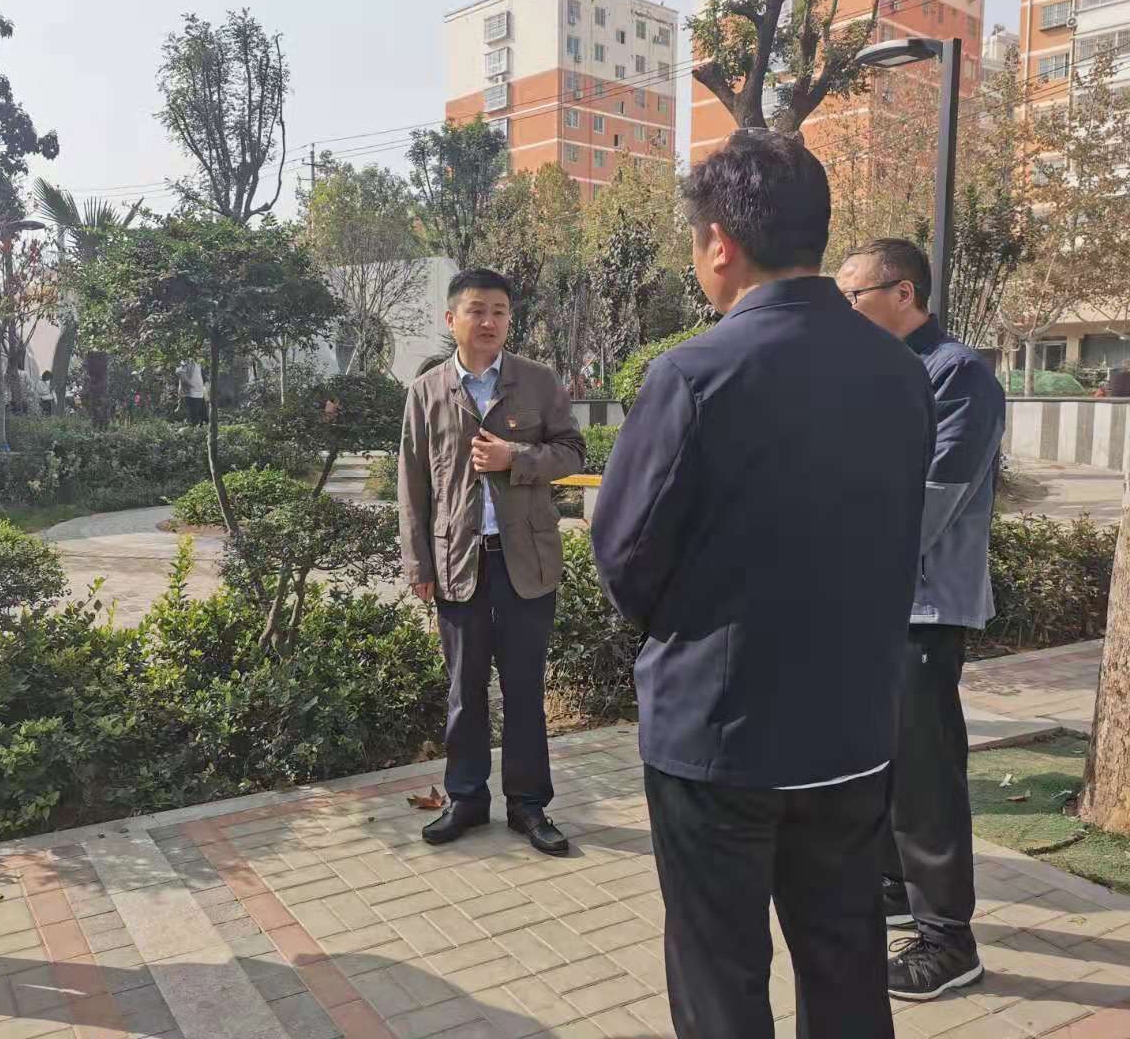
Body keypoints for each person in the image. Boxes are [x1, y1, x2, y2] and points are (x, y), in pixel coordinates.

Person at [591, 131, 935, 1037]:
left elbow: (623, 553)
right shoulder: (902, 373)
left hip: (720, 735)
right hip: (853, 729)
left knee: (722, 981)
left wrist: (687, 629)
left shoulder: (694, 372)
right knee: (846, 966)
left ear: (719, 242)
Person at [838, 239, 1004, 1001]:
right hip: (876, 602)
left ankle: (949, 941)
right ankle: (896, 887)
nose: (844, 311)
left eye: (854, 297)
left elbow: (934, 496)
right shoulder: (880, 373)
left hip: (925, 607)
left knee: (927, 776)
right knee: (886, 762)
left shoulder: (959, 375)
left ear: (902, 293)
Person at [399, 268, 586, 856]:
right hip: (458, 562)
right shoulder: (426, 391)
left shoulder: (538, 381)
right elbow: (413, 485)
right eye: (477, 310)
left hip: (525, 560)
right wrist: (418, 565)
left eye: (500, 312)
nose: (489, 322)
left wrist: (516, 457)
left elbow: (572, 452)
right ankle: (466, 799)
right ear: (451, 318)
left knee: (525, 687)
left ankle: (528, 806)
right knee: (465, 687)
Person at [178, 358, 207, 424]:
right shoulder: (185, 364)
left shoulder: (197, 364)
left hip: (198, 393)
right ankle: (194, 425)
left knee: (201, 414)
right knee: (194, 415)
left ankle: (199, 425)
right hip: (190, 393)